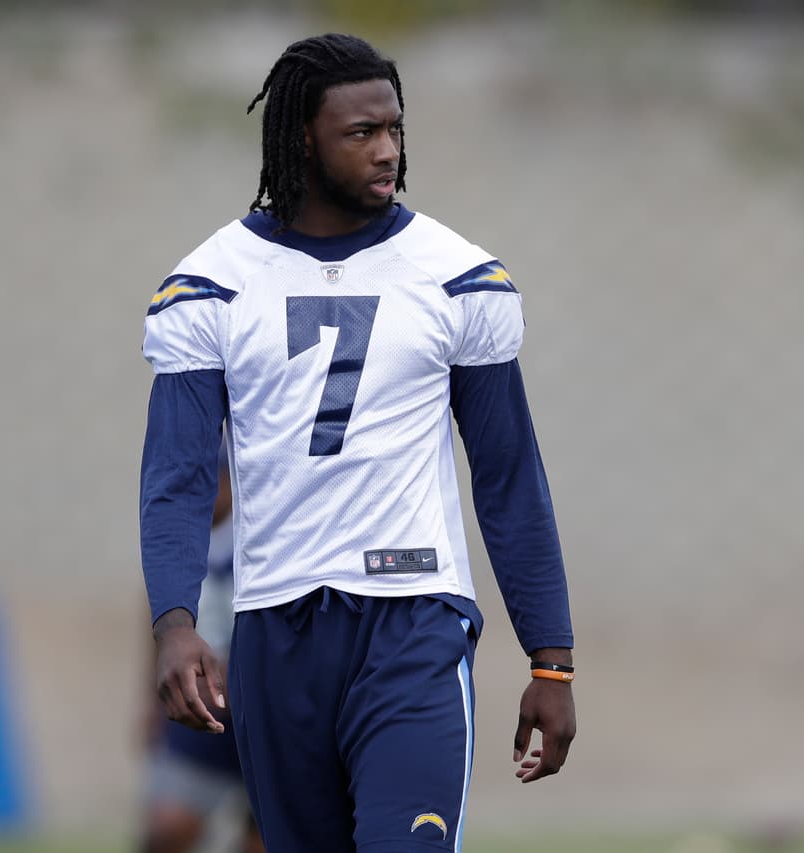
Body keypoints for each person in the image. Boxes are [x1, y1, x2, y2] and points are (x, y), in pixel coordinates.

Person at [138, 32, 576, 852]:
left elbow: (509, 476)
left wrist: (552, 659)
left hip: (414, 621)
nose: (388, 151)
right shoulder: (211, 284)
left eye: (395, 130)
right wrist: (175, 621)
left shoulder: (454, 275)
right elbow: (178, 476)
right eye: (362, 134)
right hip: (275, 629)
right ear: (302, 137)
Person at [137, 457, 264, 853]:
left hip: (260, 710)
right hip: (197, 710)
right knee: (168, 827)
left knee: (265, 836)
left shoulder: (261, 532)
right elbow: (156, 625)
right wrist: (148, 701)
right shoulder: (178, 542)